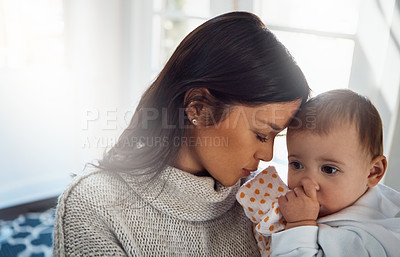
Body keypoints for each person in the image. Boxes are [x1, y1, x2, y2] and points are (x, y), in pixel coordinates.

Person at [53, 11, 310, 256]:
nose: (267, 155)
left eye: (277, 137)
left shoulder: (263, 199)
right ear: (199, 107)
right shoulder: (92, 206)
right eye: (262, 134)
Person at [237, 89, 400, 257]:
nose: (306, 183)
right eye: (297, 165)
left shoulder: (365, 239)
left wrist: (300, 225)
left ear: (373, 172)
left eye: (329, 169)